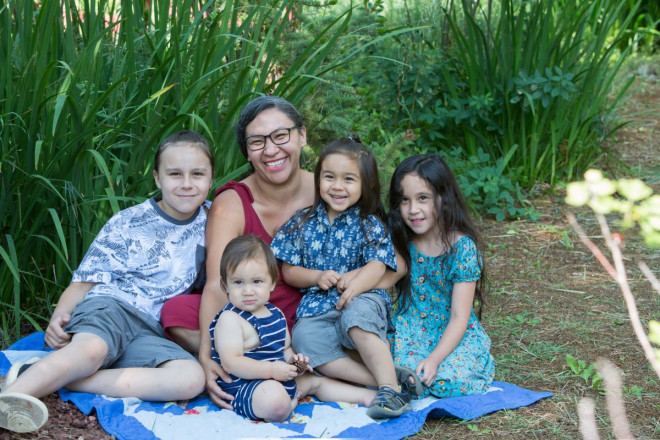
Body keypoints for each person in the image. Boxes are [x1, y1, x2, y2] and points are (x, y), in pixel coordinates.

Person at [0, 130, 213, 433]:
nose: (187, 184)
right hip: (111, 307)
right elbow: (85, 281)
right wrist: (58, 319)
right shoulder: (129, 221)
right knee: (90, 351)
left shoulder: (213, 220)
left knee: (190, 378)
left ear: (211, 178)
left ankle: (44, 374)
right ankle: (11, 400)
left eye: (198, 174)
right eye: (175, 174)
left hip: (153, 329)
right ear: (156, 178)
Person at [159, 96, 315, 409]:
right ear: (246, 151)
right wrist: (205, 355)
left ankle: (290, 370)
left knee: (320, 334)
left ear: (302, 135)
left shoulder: (328, 189)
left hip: (308, 314)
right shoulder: (232, 201)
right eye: (257, 142)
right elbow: (218, 282)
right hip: (247, 315)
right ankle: (248, 366)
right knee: (176, 312)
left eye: (280, 136)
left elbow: (385, 253)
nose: (271, 150)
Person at [270, 136, 422, 419]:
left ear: (366, 184)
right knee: (304, 339)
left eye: (349, 179)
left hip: (362, 298)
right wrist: (316, 277)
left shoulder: (368, 222)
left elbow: (378, 264)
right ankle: (386, 381)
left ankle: (388, 386)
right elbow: (289, 270)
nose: (337, 186)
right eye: (329, 177)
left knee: (357, 318)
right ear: (318, 180)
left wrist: (354, 288)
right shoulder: (303, 221)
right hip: (317, 307)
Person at [209, 235, 376, 422]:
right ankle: (286, 407)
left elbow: (285, 349)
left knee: (316, 381)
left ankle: (364, 396)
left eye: (257, 282)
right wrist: (271, 371)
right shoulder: (230, 318)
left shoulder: (275, 313)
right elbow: (231, 363)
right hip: (246, 388)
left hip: (277, 378)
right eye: (239, 282)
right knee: (274, 399)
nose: (248, 291)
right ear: (225, 286)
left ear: (272, 283)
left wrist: (294, 361)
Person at [387, 153, 495, 398]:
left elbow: (459, 317)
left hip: (451, 334)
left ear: (444, 198)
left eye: (423, 198)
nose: (413, 210)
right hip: (411, 331)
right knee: (405, 372)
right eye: (405, 200)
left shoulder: (462, 248)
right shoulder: (402, 243)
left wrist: (435, 359)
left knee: (448, 380)